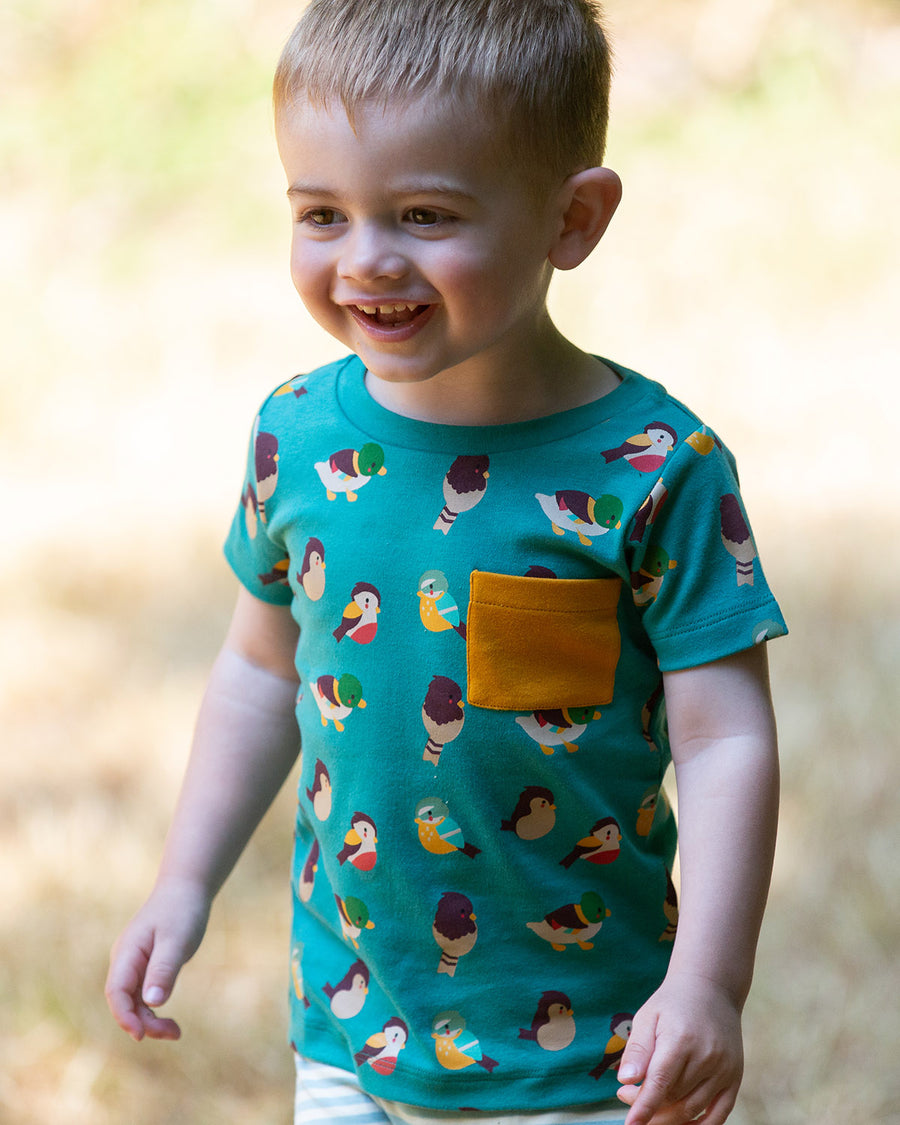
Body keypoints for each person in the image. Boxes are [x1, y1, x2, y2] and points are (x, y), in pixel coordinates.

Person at [105, 3, 787, 1124]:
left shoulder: (655, 470)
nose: (366, 258)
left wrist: (708, 985)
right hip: (352, 1020)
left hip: (584, 1045)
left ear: (573, 218)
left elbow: (724, 738)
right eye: (321, 213)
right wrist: (185, 883)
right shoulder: (298, 438)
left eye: (424, 214)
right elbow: (261, 673)